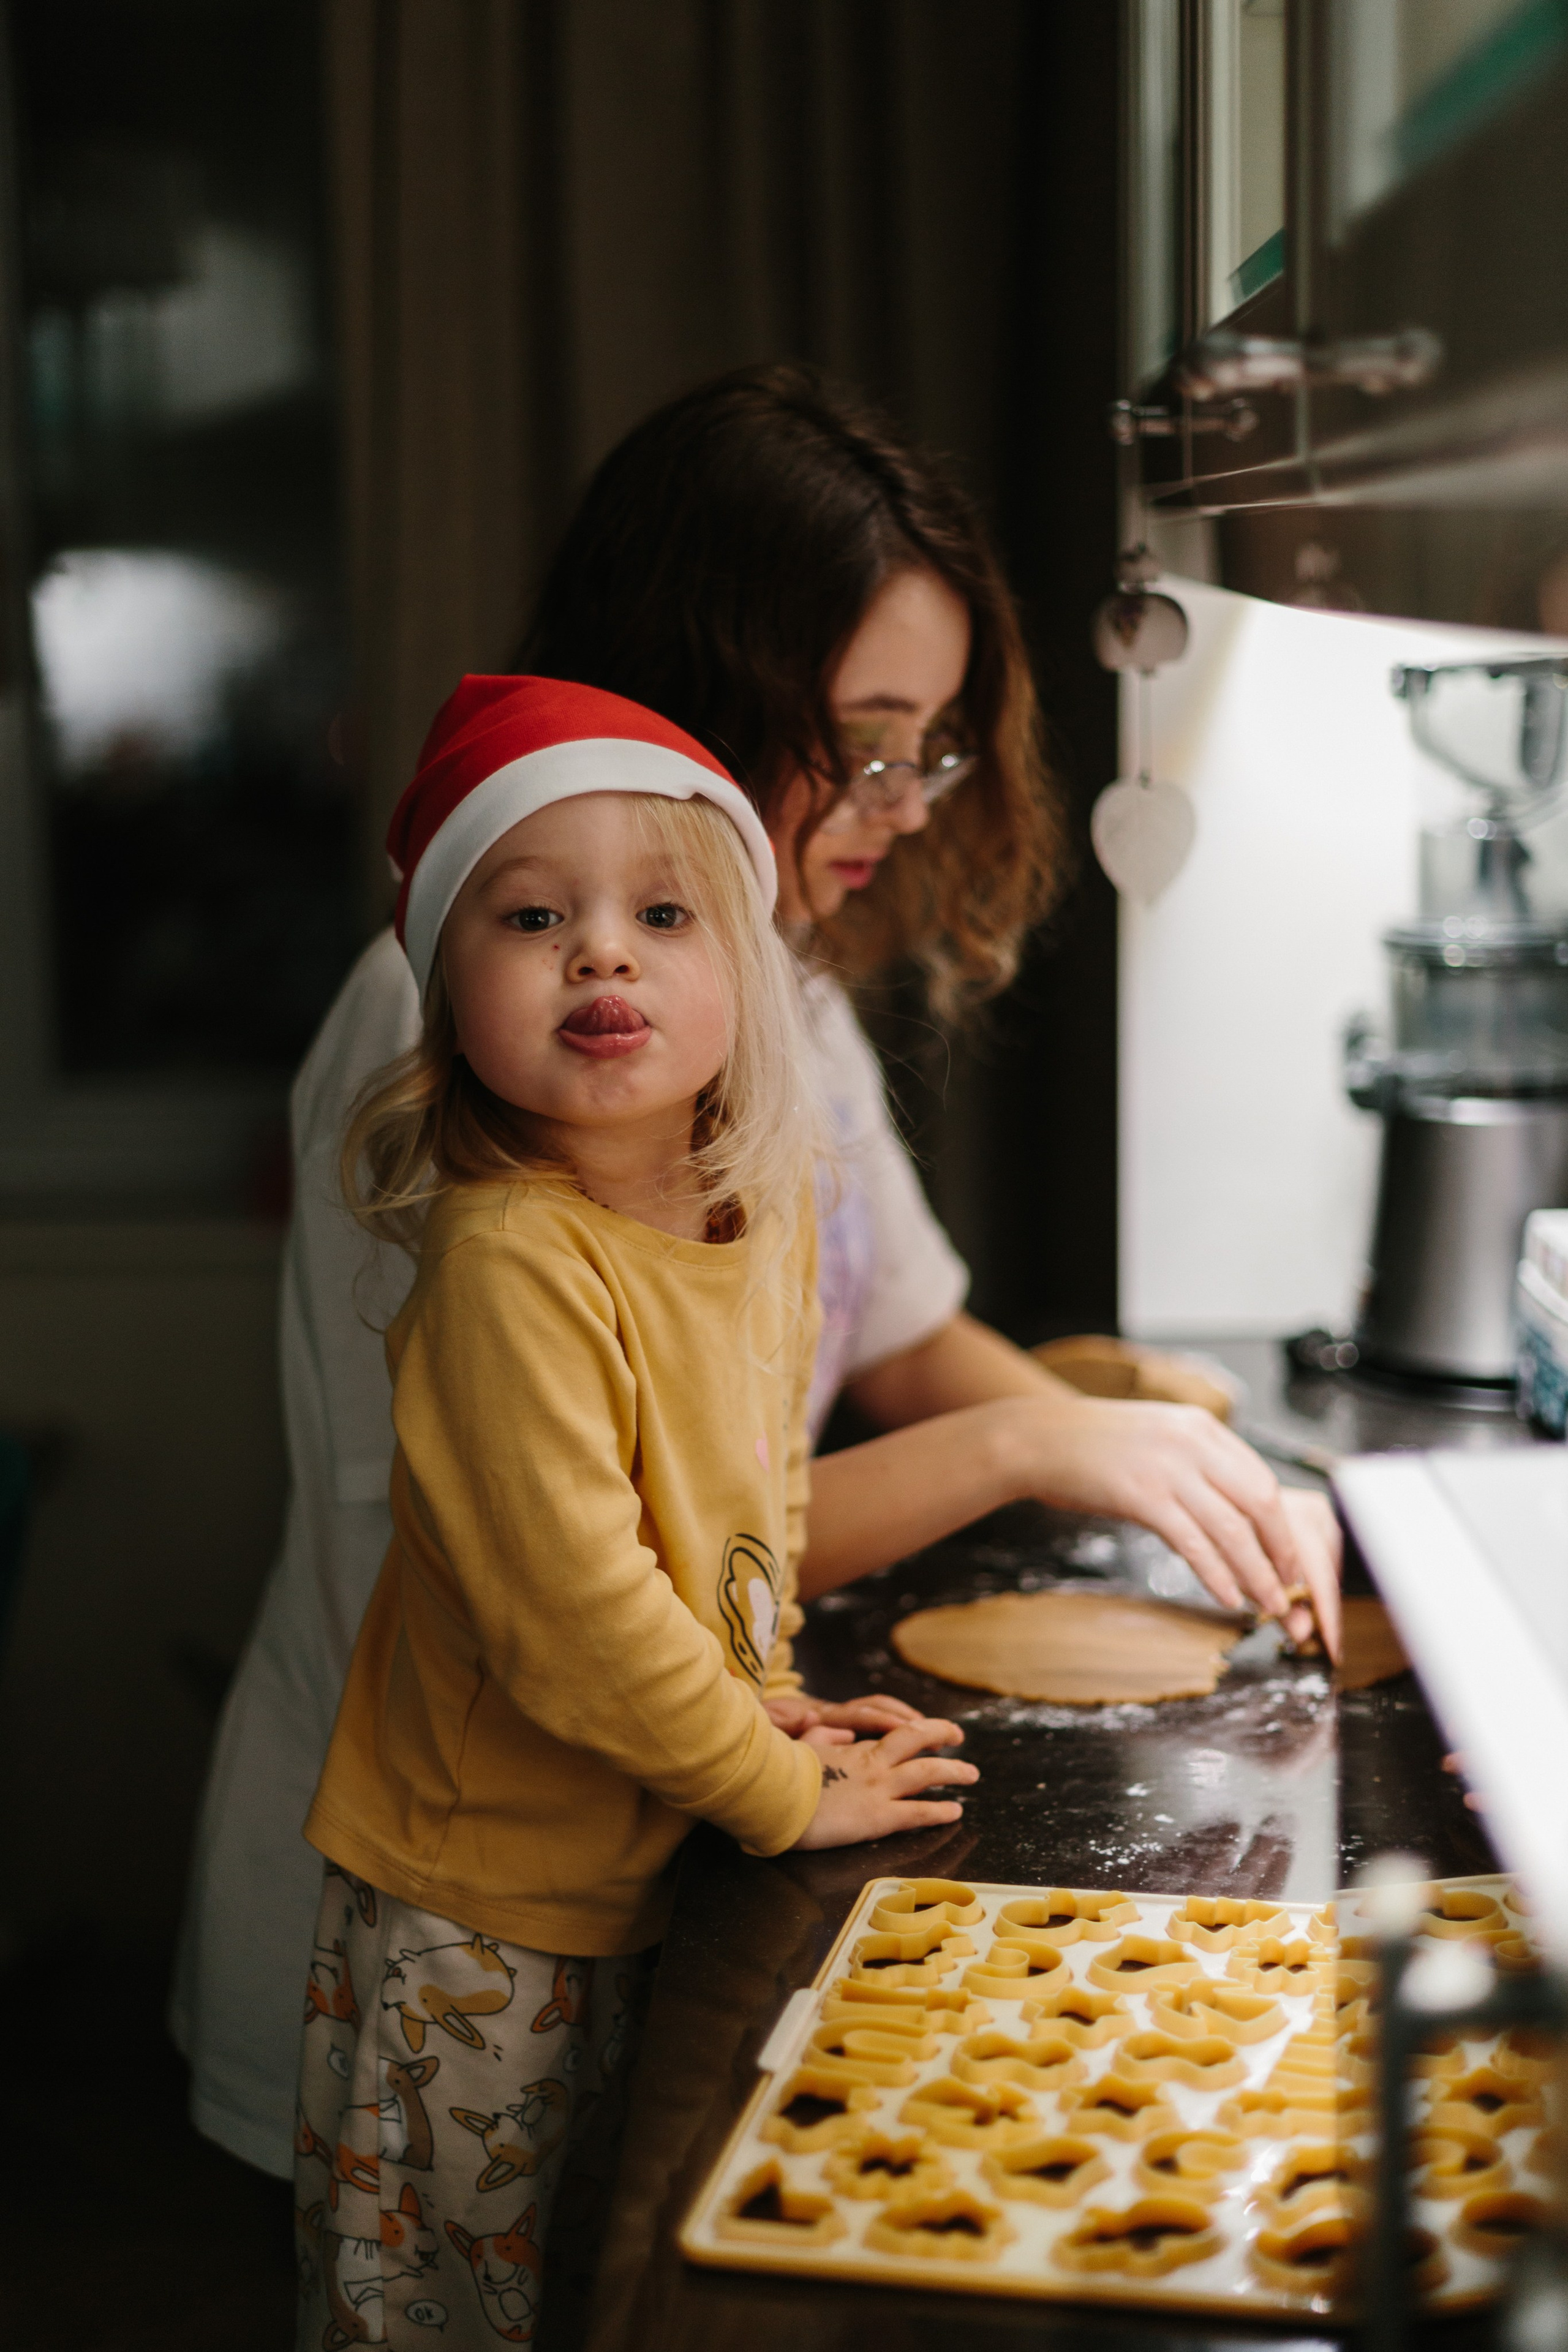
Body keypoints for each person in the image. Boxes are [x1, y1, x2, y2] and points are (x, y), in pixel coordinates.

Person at [172, 361, 1340, 2182]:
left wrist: (1192, 1484)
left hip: (643, 1820)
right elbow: (562, 1572)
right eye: (864, 737)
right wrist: (1047, 1453)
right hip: (454, 1896)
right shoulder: (483, 1038)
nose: (905, 801)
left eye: (930, 744)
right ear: (703, 689)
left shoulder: (749, 978)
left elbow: (906, 1332)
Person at [293, 674, 974, 2351]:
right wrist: (773, 1787)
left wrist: (767, 1699)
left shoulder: (747, 1223)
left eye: (662, 914)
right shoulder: (510, 1262)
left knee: (594, 2276)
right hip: (487, 1915)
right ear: (451, 994)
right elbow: (580, 1614)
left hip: (635, 1843)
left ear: (746, 970)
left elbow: (745, 1515)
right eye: (532, 918)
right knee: (457, 2310)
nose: (602, 953)